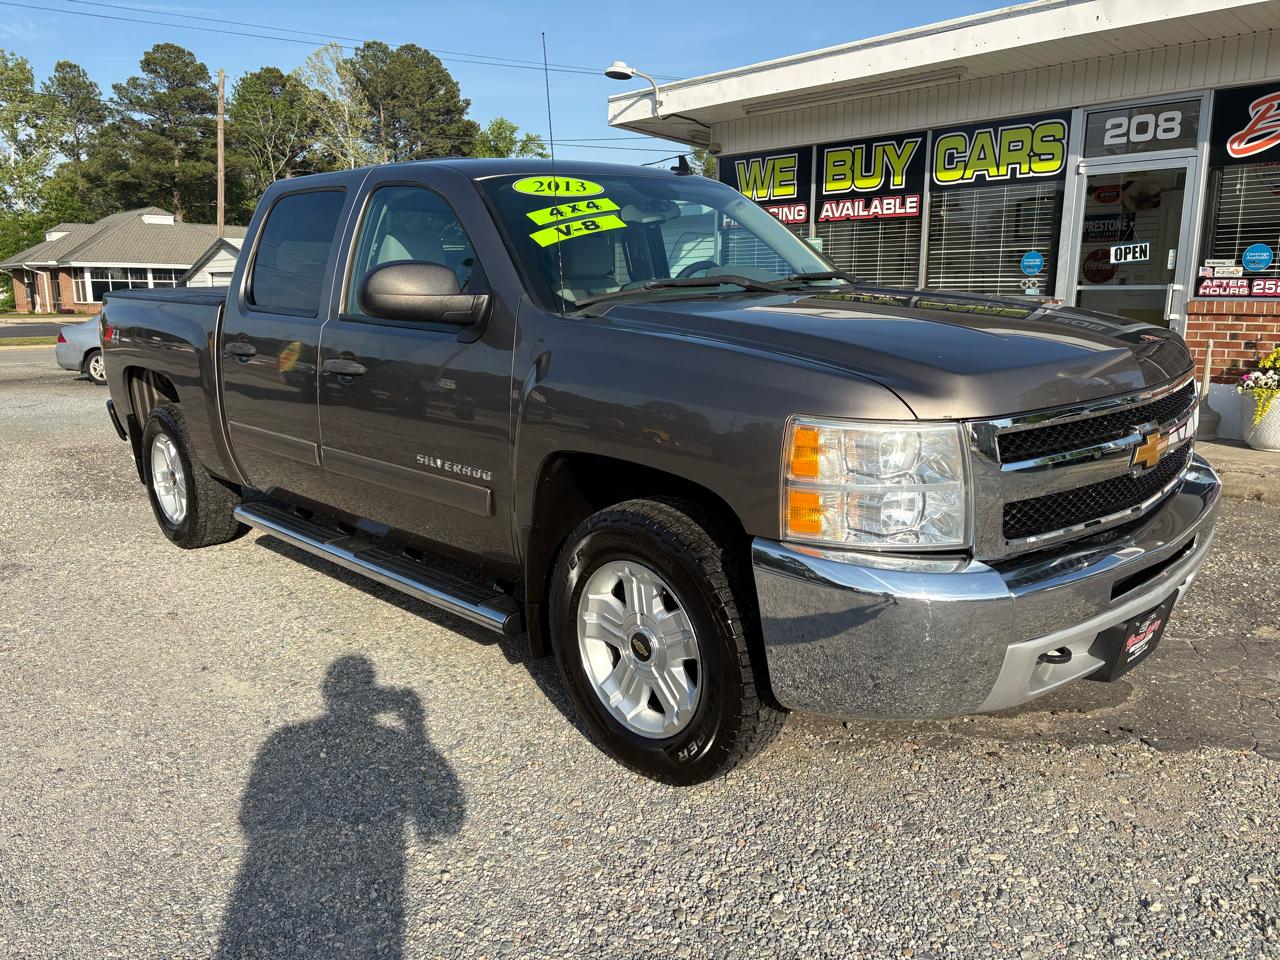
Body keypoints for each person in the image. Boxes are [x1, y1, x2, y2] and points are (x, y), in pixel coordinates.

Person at [215, 655, 463, 959]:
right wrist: (415, 727)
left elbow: (251, 815)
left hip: (273, 882)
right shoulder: (391, 739)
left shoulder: (286, 739)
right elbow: (446, 822)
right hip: (376, 882)